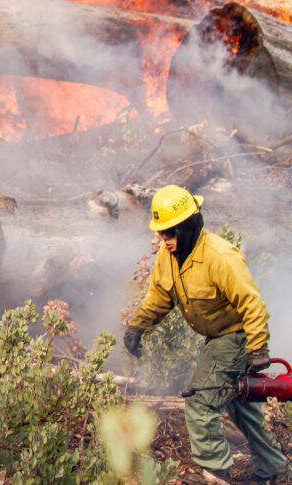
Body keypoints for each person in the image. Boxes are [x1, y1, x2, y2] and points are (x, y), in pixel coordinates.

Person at [124, 185, 290, 484]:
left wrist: (257, 349)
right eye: (161, 233)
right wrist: (138, 326)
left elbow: (251, 303)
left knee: (200, 399)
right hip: (215, 339)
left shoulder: (221, 256)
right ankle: (275, 469)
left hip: (235, 337)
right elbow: (159, 295)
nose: (163, 239)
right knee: (241, 407)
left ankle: (214, 473)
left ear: (188, 226)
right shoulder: (169, 255)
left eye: (169, 233)